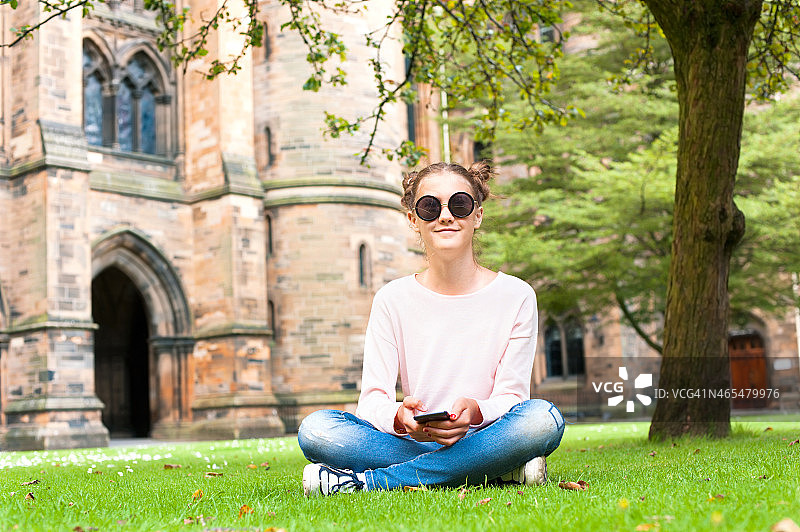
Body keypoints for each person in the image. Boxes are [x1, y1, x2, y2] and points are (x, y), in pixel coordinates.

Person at [298, 161, 565, 496]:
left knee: (543, 419)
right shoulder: (391, 299)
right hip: (414, 442)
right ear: (414, 219)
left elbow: (512, 398)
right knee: (316, 430)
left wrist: (475, 411)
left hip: (488, 437)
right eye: (429, 207)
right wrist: (401, 418)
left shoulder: (517, 295)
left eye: (459, 204)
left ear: (477, 215)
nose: (445, 216)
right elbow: (372, 402)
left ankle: (367, 483)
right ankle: (492, 471)